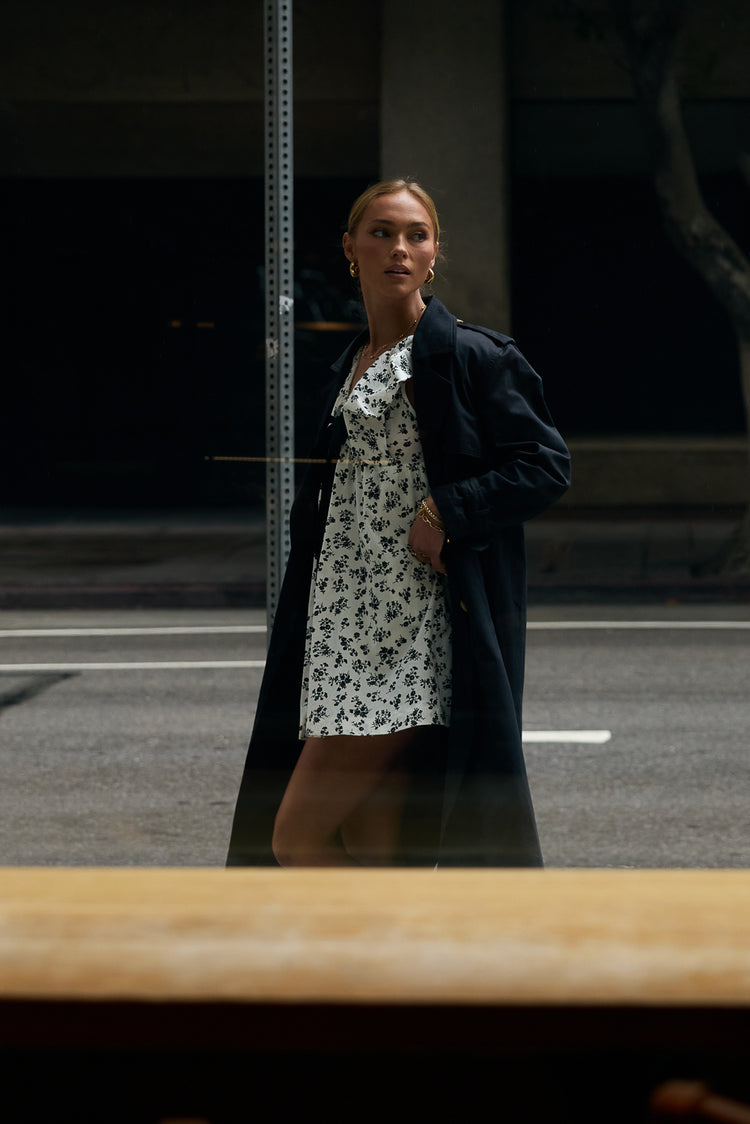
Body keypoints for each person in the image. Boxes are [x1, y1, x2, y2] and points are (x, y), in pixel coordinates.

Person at [227, 178, 570, 868]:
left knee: (294, 837)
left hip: (413, 628)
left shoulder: (468, 358)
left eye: (416, 234)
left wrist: (448, 508)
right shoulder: (349, 365)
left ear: (435, 252)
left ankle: (378, 970)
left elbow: (544, 463)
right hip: (340, 624)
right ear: (350, 249)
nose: (399, 248)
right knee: (371, 844)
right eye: (381, 232)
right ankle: (386, 972)